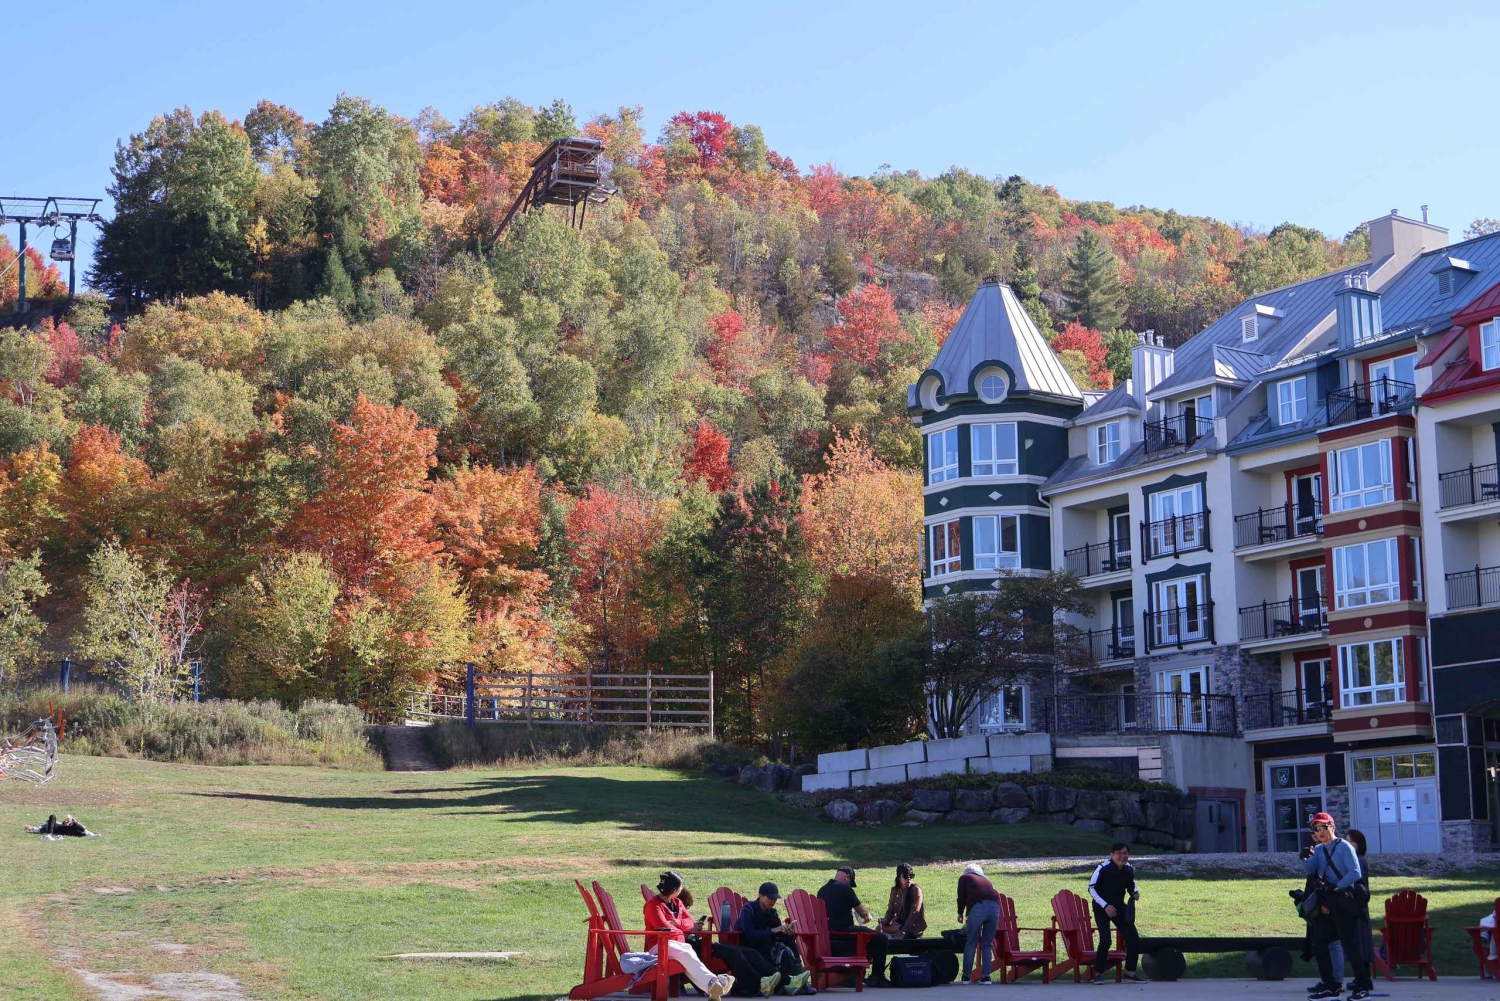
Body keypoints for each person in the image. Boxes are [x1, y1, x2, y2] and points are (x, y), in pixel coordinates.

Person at [1300, 813, 1371, 1000]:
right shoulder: (1320, 849)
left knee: (1349, 945)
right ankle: (1330, 986)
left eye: (1323, 827)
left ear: (1332, 826)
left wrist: (1336, 886)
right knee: (1320, 942)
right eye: (1315, 829)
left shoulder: (1344, 847)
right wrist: (1305, 857)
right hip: (1327, 903)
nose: (1319, 832)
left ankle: (1362, 987)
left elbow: (1355, 872)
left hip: (1342, 900)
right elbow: (1310, 869)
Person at [643, 871, 738, 1000]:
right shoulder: (653, 905)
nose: (682, 888)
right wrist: (682, 929)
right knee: (687, 954)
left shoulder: (678, 903)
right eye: (680, 886)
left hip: (678, 945)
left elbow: (689, 922)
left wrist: (677, 923)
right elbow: (664, 927)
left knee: (689, 952)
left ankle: (713, 988)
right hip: (659, 946)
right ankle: (713, 983)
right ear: (675, 889)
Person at [735, 882, 814, 995]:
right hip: (748, 945)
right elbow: (749, 933)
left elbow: (777, 933)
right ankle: (788, 982)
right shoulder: (748, 909)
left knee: (790, 942)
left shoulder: (772, 912)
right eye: (770, 898)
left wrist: (786, 932)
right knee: (766, 942)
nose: (773, 901)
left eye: (775, 898)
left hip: (767, 942)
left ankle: (800, 980)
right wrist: (772, 930)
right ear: (761, 896)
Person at [1087, 843, 1146, 984]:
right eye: (1119, 853)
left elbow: (1131, 884)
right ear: (1112, 854)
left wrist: (1135, 892)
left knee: (1133, 937)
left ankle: (1130, 972)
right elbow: (1091, 889)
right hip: (1102, 907)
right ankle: (1097, 973)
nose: (1123, 856)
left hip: (1119, 906)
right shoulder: (1103, 868)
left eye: (1125, 853)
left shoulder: (1129, 869)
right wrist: (1105, 905)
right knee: (1106, 940)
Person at [869, 863, 926, 985]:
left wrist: (903, 931)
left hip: (912, 927)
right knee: (877, 931)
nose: (909, 878)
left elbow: (915, 912)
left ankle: (877, 974)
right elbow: (890, 910)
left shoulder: (916, 890)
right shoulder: (895, 890)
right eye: (906, 876)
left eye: (912, 875)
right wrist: (884, 920)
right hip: (898, 925)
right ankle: (874, 972)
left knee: (879, 936)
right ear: (899, 877)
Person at [817, 866, 880, 960]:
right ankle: (877, 973)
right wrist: (868, 916)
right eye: (850, 883)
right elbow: (863, 913)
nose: (849, 885)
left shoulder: (821, 891)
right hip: (845, 933)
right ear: (847, 877)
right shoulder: (845, 889)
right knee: (881, 938)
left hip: (828, 934)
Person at [956, 862, 1001, 984]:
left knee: (971, 942)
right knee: (987, 944)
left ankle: (966, 977)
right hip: (995, 908)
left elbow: (961, 896)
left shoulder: (965, 877)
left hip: (978, 907)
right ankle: (986, 977)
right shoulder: (986, 880)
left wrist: (960, 913)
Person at [23, 814, 97, 838]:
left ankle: (90, 834)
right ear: (63, 822)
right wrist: (31, 828)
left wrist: (74, 821)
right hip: (53, 829)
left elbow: (81, 827)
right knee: (53, 816)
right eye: (66, 821)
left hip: (67, 831)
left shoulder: (70, 827)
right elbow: (41, 827)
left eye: (69, 821)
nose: (68, 821)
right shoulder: (57, 823)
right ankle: (49, 835)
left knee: (81, 832)